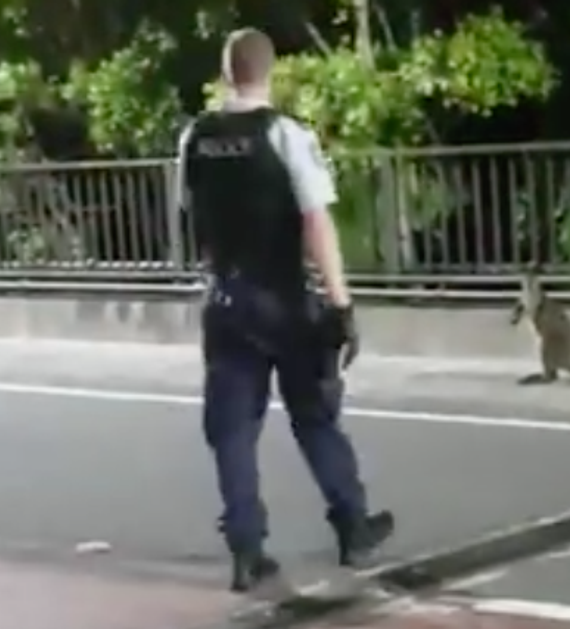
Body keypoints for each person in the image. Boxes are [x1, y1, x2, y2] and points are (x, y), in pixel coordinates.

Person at [175, 27, 395, 594]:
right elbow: (317, 223)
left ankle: (247, 549)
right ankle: (352, 525)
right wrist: (341, 305)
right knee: (314, 417)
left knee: (231, 431)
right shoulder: (285, 135)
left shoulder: (194, 138)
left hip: (224, 300)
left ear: (226, 74)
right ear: (269, 72)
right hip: (286, 300)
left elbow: (191, 217)